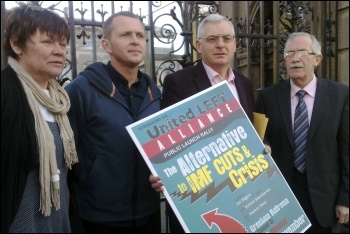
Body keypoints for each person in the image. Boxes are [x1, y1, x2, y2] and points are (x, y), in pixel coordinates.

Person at [149, 13, 270, 233]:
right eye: (213, 39)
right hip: (200, 197)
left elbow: (250, 128)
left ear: (234, 44)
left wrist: (264, 145)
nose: (221, 45)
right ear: (198, 45)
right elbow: (170, 140)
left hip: (241, 192)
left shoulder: (244, 83)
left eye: (226, 38)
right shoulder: (178, 82)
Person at [65, 11, 162, 233]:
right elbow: (66, 157)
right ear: (106, 45)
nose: (135, 40)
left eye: (140, 35)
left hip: (148, 212)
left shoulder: (154, 93)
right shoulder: (81, 90)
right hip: (99, 216)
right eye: (126, 34)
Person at [255, 32, 349, 233]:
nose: (295, 59)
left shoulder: (340, 95)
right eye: (289, 54)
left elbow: (347, 150)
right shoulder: (267, 98)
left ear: (318, 59)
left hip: (326, 200)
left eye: (302, 53)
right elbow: (259, 138)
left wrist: (345, 198)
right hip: (280, 198)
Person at [1, 3, 78, 233]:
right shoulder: (5, 92)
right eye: (48, 42)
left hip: (58, 223)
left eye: (63, 44)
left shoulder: (61, 101)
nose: (60, 51)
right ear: (16, 44)